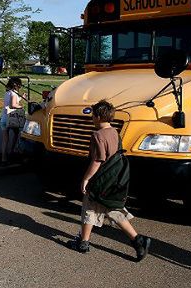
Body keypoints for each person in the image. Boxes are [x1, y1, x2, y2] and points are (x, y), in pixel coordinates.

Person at [69, 99, 151, 261]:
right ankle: (138, 240)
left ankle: (84, 243)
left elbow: (97, 160)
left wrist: (86, 179)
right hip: (113, 178)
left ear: (98, 117)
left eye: (93, 115)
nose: (92, 118)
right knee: (112, 210)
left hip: (100, 179)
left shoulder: (97, 135)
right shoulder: (114, 132)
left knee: (89, 207)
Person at [0, 77, 26, 164]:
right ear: (16, 85)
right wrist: (21, 107)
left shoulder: (7, 93)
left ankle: (3, 157)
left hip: (4, 118)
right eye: (19, 84)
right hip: (11, 118)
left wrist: (21, 98)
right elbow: (13, 105)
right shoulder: (14, 94)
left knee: (5, 139)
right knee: (16, 133)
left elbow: (11, 101)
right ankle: (12, 151)